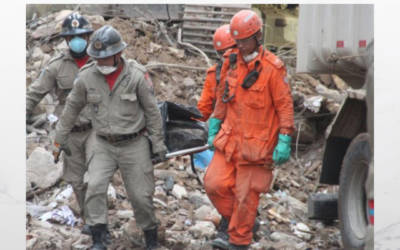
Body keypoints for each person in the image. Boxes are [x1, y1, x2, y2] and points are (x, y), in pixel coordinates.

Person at [54, 25, 168, 250]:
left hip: (134, 143)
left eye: (106, 58)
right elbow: (71, 108)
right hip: (102, 143)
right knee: (93, 185)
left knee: (141, 195)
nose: (102, 63)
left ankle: (151, 240)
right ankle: (98, 237)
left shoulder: (136, 75)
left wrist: (158, 143)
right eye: (97, 58)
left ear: (118, 54)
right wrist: (60, 139)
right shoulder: (87, 76)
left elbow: (153, 112)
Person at [204, 10, 295, 250]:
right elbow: (223, 97)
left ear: (258, 36)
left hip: (257, 147)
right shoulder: (230, 62)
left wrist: (284, 138)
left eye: (245, 40)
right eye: (238, 41)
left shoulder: (273, 69)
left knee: (246, 198)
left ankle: (239, 241)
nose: (241, 45)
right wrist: (215, 125)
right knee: (214, 184)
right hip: (230, 141)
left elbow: (285, 107)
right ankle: (242, 223)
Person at [27, 13, 95, 220]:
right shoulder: (56, 66)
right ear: (65, 40)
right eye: (72, 37)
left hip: (96, 130)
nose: (77, 40)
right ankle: (88, 217)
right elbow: (33, 94)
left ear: (88, 37)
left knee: (95, 177)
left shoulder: (101, 61)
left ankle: (98, 225)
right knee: (76, 180)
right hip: (69, 131)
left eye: (81, 36)